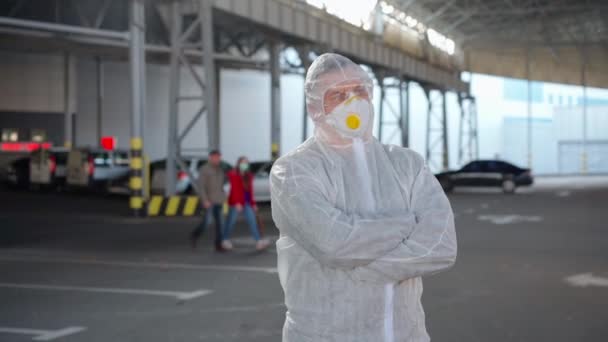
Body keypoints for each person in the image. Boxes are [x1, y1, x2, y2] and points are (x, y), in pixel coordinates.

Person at [270, 53, 457, 341]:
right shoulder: (294, 171)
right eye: (338, 95)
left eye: (359, 90)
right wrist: (407, 225)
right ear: (314, 107)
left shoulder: (407, 164)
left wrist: (367, 269)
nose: (352, 101)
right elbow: (335, 244)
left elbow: (442, 246)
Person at [221, 157, 270, 251]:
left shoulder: (249, 175)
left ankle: (259, 241)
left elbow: (250, 191)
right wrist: (237, 203)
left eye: (246, 163)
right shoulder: (233, 174)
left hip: (247, 202)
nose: (244, 165)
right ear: (238, 164)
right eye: (243, 163)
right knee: (230, 222)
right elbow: (234, 190)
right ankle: (224, 240)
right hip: (236, 203)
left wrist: (253, 203)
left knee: (252, 221)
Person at [190, 150, 227, 252]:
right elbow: (201, 186)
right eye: (215, 157)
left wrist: (223, 196)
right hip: (209, 201)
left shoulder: (220, 169)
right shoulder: (204, 169)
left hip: (218, 200)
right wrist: (205, 200)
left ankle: (218, 245)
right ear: (210, 158)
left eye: (218, 157)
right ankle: (195, 235)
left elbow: (221, 185)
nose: (217, 159)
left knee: (220, 223)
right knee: (207, 222)